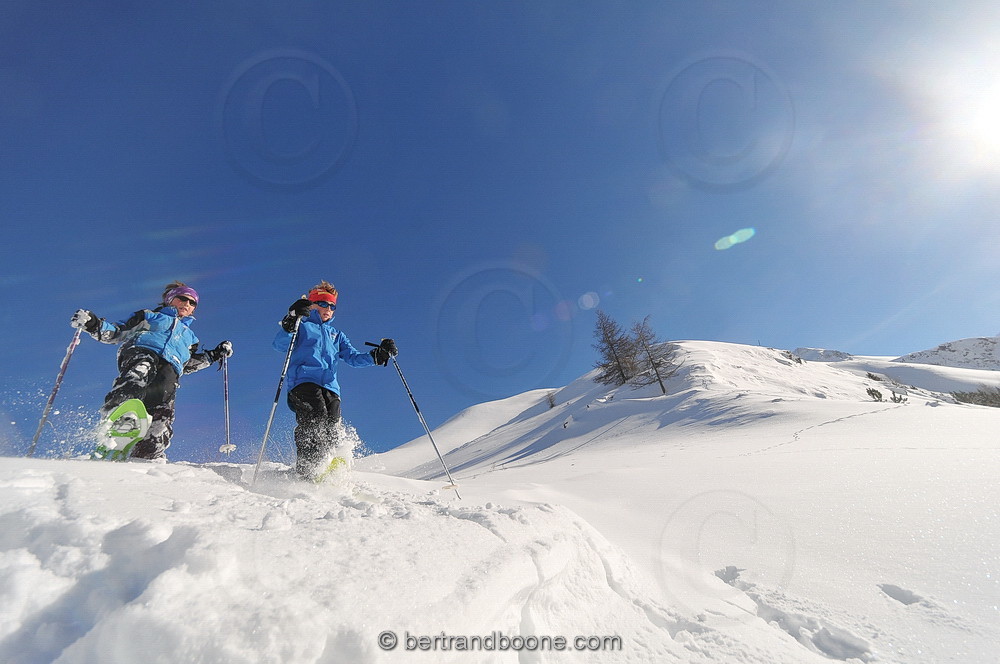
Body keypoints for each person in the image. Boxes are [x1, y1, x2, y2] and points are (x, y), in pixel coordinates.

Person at [70, 281, 234, 460]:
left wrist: (215, 355)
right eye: (183, 299)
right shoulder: (149, 316)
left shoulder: (190, 338)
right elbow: (118, 331)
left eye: (192, 303)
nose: (187, 304)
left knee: (164, 402)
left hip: (172, 366)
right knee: (140, 372)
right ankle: (120, 416)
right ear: (170, 299)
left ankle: (149, 449)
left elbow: (189, 363)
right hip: (142, 351)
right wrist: (94, 325)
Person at [273, 280, 396, 480]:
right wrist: (290, 321)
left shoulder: (336, 335)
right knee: (315, 417)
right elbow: (279, 344)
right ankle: (307, 469)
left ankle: (326, 466)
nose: (328, 309)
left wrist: (377, 355)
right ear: (311, 304)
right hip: (303, 384)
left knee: (332, 426)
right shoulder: (302, 326)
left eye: (332, 306)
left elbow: (353, 358)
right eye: (323, 304)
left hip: (331, 387)